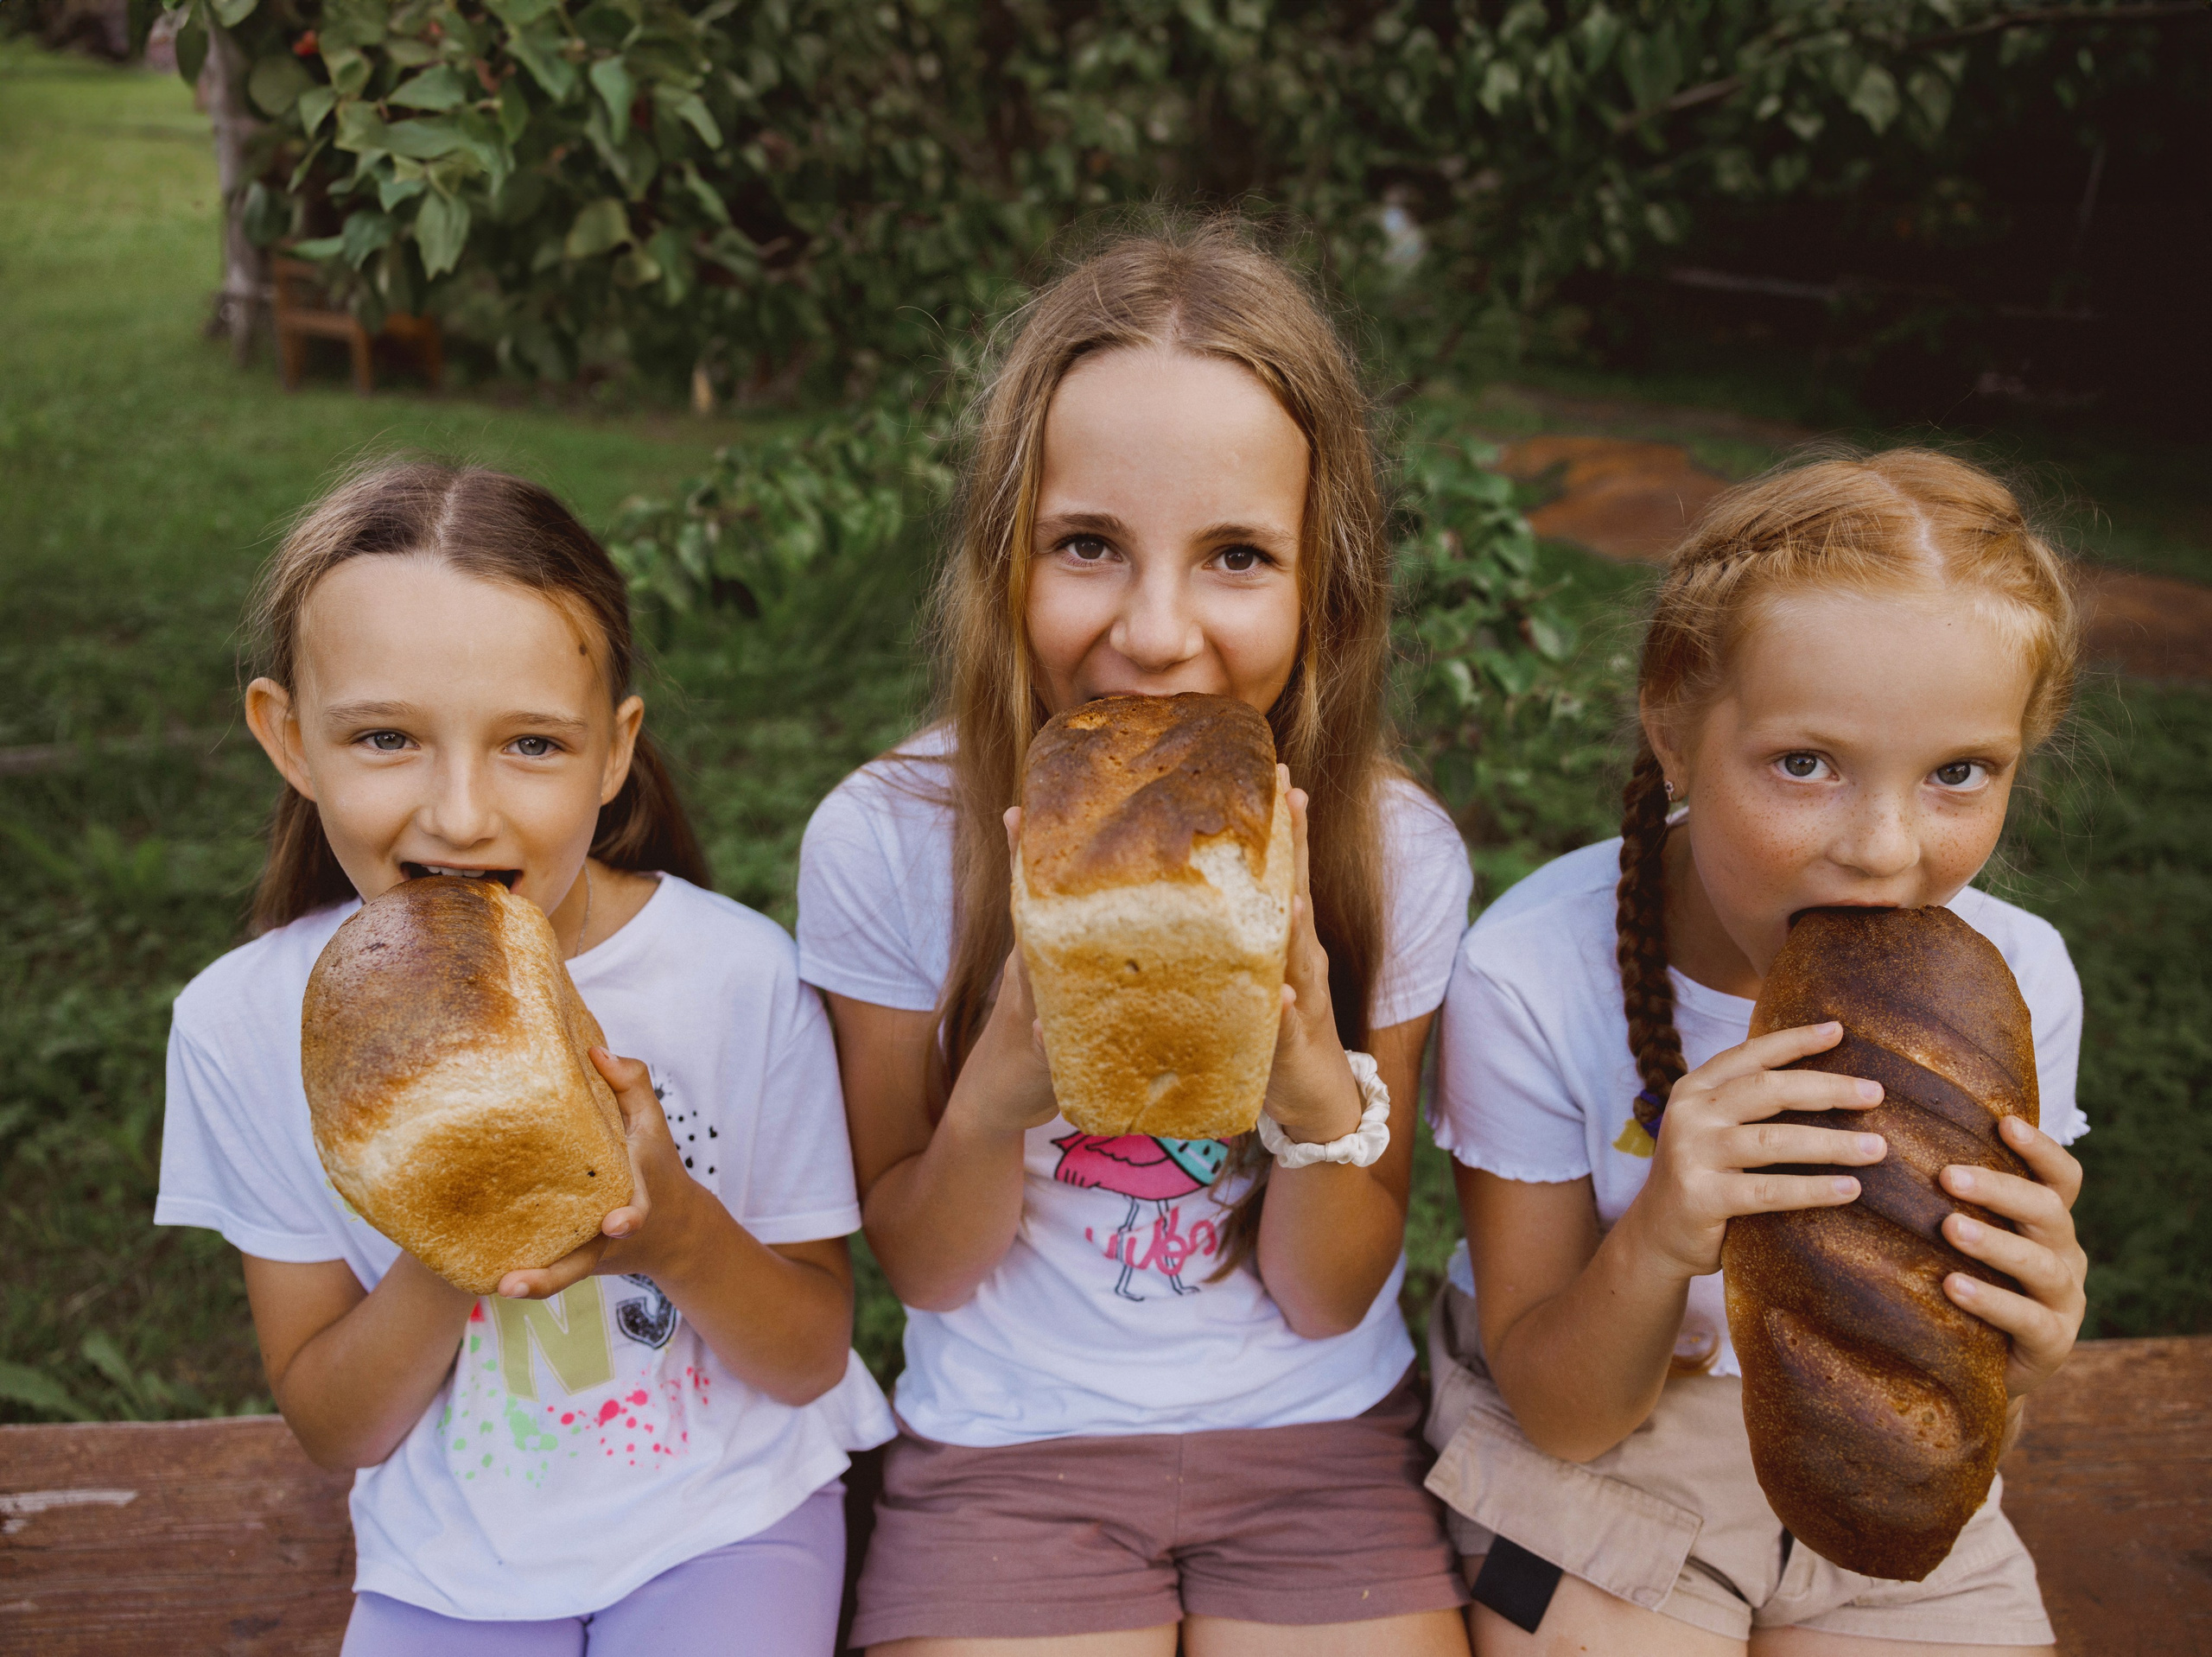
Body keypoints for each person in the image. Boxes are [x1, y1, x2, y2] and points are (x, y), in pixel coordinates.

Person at [798, 220, 1474, 1655]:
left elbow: (1327, 1293)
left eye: (1237, 555)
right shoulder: (885, 839)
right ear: (1004, 556)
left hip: (1313, 1438)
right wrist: (995, 1095)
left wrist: (1316, 1096)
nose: (1159, 632)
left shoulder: (1393, 849)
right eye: (1090, 545)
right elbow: (924, 1269)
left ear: (1323, 584)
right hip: (1008, 1448)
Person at [155, 461, 893, 1654]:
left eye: (533, 743)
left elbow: (809, 1355)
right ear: (289, 739)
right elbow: (337, 1427)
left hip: (727, 1519)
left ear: (613, 752)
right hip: (450, 1565)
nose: (460, 813)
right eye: (385, 736)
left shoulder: (735, 977)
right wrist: (461, 1227)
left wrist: (674, 1232)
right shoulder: (239, 1026)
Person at [1424, 449, 2091, 1655]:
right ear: (1674, 725)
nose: (1883, 849)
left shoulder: (2017, 984)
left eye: (1959, 773)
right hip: (1606, 1460)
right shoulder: (1530, 975)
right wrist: (1663, 1232)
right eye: (1805, 763)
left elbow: (1970, 1405)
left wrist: (2029, 1346)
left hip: (1882, 1471)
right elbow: (1563, 1416)